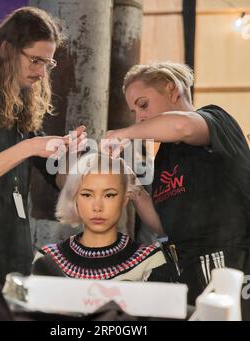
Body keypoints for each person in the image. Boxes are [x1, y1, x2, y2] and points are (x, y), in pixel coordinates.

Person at [104, 61, 250, 319]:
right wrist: (133, 186)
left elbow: (182, 126)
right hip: (185, 268)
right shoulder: (164, 157)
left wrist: (125, 133)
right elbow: (162, 226)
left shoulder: (216, 119)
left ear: (171, 90)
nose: (139, 117)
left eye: (143, 104)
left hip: (230, 264)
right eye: (133, 111)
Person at [0, 7, 86, 290]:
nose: (41, 72)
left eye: (47, 63)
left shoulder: (23, 112)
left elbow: (61, 181)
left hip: (15, 251)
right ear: (6, 50)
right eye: (35, 60)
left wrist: (74, 158)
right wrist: (28, 147)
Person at [32, 153, 169, 281]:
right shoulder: (47, 260)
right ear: (75, 199)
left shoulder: (150, 261)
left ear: (125, 199)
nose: (97, 207)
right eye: (87, 194)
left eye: (109, 195)